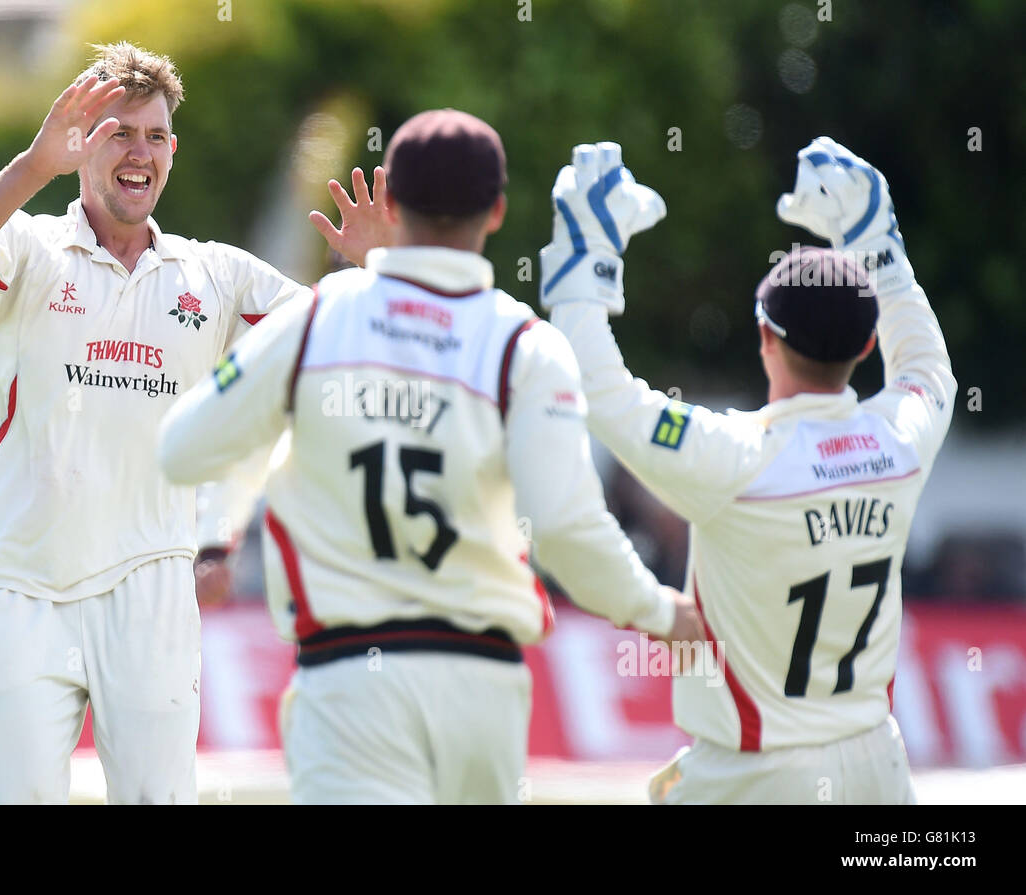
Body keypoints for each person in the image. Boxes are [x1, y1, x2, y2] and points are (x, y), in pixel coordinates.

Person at [158, 109, 700, 804]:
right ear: (498, 211)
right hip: (485, 686)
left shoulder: (318, 317)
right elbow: (564, 529)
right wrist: (661, 610)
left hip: (348, 682)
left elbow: (182, 449)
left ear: (390, 204)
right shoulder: (525, 344)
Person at [0, 42, 380, 804]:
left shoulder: (215, 274)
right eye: (118, 133)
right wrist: (34, 167)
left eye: (155, 135)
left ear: (173, 151)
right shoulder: (30, 248)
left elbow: (340, 342)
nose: (140, 153)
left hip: (153, 590)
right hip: (24, 590)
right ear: (80, 145)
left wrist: (374, 276)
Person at [538, 138, 955, 804]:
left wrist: (585, 254)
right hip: (880, 764)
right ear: (868, 343)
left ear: (765, 336)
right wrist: (881, 247)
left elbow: (595, 384)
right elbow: (928, 371)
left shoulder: (732, 456)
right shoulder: (900, 438)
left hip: (760, 775)